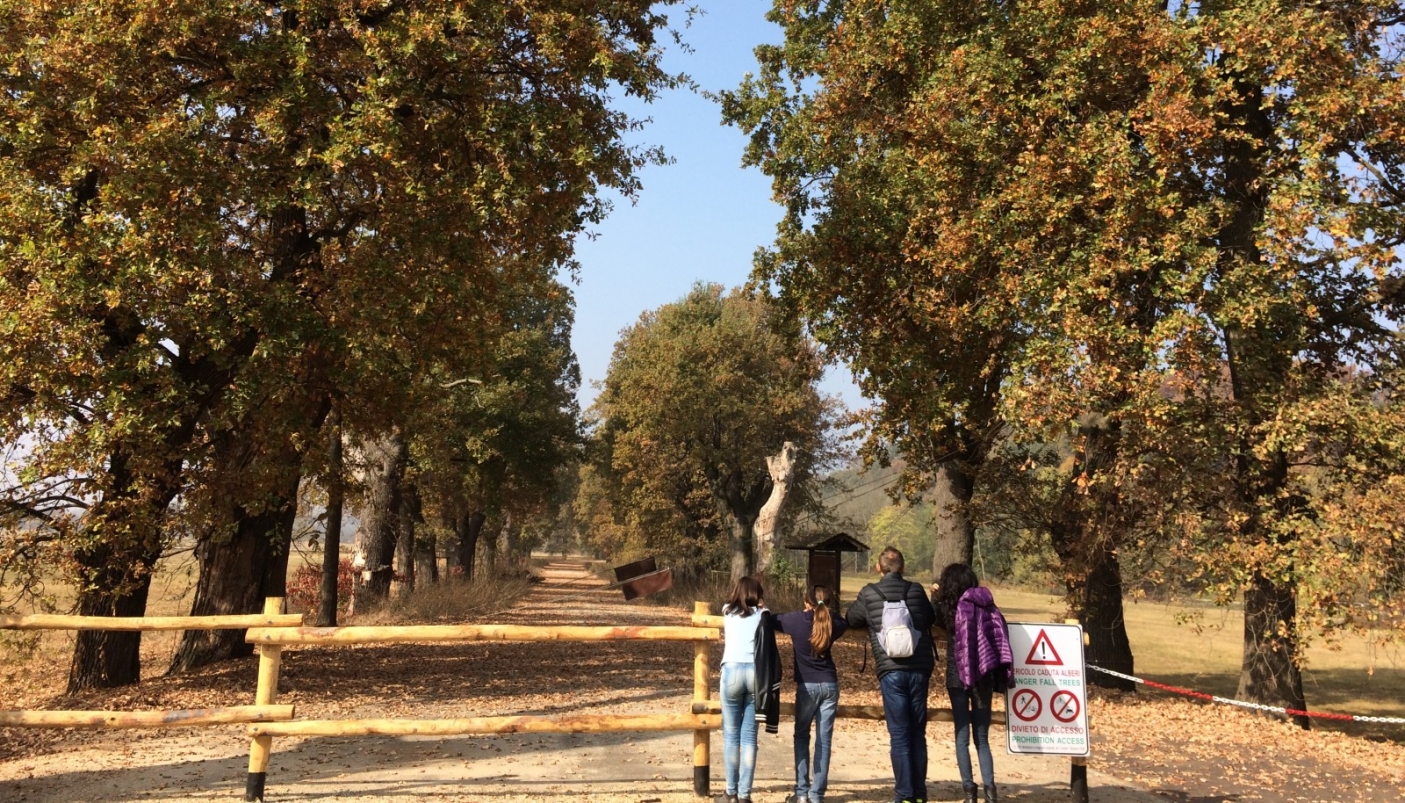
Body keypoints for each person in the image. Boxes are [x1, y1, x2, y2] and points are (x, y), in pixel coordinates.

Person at [847, 546, 937, 803]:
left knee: (899, 734)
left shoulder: (869, 593)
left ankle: (904, 795)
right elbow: (929, 618)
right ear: (903, 567)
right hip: (919, 669)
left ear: (879, 568)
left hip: (891, 670)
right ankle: (919, 795)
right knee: (917, 733)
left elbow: (851, 618)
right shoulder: (916, 590)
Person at [933, 563, 1013, 803]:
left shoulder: (949, 608)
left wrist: (936, 596)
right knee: (982, 738)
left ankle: (969, 791)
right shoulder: (988, 606)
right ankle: (990, 790)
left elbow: (932, 617)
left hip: (957, 677)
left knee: (961, 737)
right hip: (983, 676)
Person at [774, 584, 849, 803]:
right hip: (830, 683)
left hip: (807, 685)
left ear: (807, 603)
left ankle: (801, 792)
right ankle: (817, 794)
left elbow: (772, 619)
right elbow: (845, 622)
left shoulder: (796, 620)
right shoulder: (833, 623)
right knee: (823, 740)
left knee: (801, 735)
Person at [718, 575, 767, 803]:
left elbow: (730, 605)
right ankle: (745, 793)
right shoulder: (763, 615)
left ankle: (731, 792)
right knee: (749, 737)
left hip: (732, 671)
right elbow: (763, 613)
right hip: (755, 673)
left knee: (731, 735)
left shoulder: (727, 611)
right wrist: (762, 606)